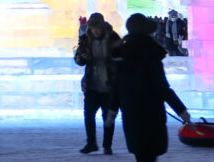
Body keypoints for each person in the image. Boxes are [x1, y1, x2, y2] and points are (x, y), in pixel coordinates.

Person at [115, 13, 191, 162]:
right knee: (150, 154)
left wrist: (112, 109)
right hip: (151, 113)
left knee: (140, 154)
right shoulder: (151, 54)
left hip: (131, 112)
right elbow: (162, 87)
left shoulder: (122, 55)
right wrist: (181, 110)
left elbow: (117, 85)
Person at [75, 12, 121, 154]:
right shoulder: (85, 40)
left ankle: (107, 145)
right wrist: (83, 58)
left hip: (109, 86)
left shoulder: (113, 38)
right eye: (93, 28)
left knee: (108, 117)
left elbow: (121, 57)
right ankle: (91, 143)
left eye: (98, 28)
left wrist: (112, 59)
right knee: (88, 115)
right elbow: (77, 59)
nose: (96, 31)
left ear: (102, 26)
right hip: (92, 84)